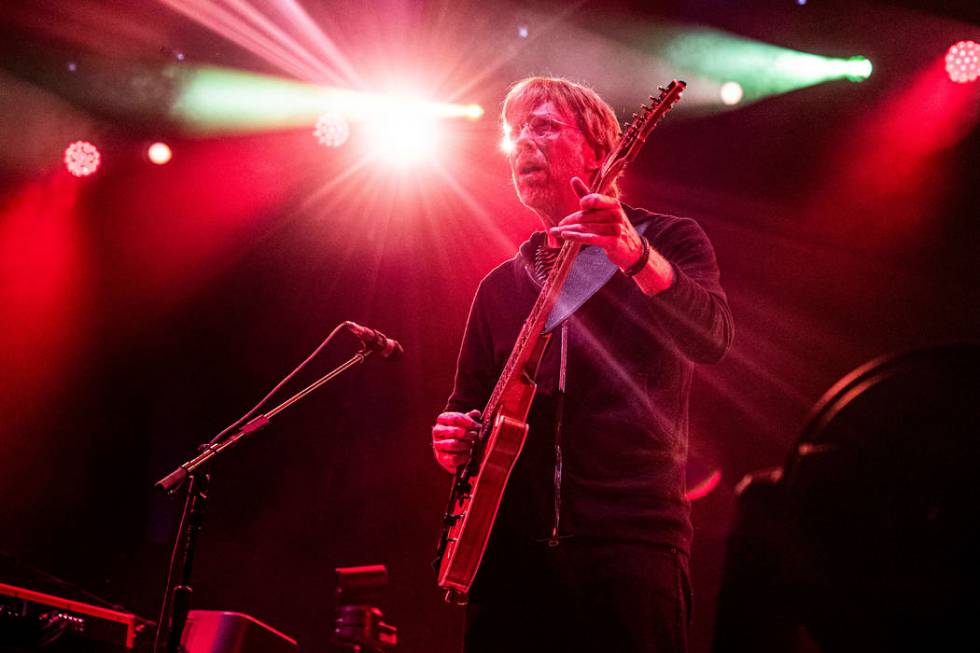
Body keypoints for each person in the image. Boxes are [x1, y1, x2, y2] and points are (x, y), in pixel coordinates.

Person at [431, 77, 734, 652]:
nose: (523, 142)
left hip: (629, 546)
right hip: (511, 558)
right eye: (514, 132)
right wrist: (452, 439)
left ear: (599, 153)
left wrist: (635, 256)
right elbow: (463, 405)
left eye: (543, 126)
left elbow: (712, 339)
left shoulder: (668, 239)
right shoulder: (500, 286)